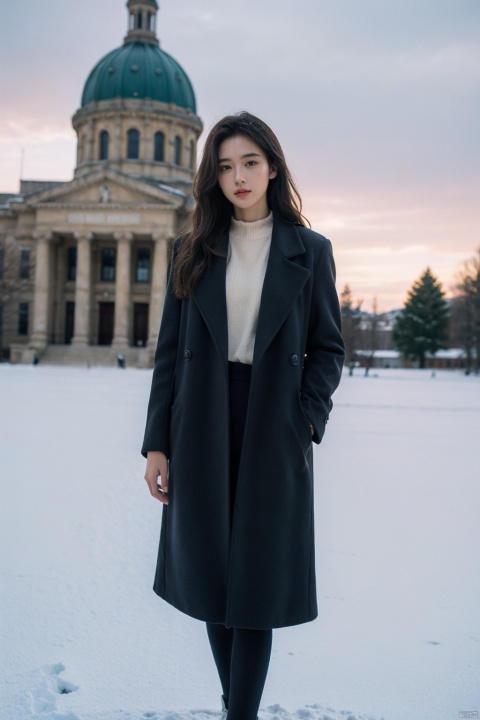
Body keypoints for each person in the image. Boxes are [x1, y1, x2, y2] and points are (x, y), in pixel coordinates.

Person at [142, 111, 345, 720]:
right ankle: (238, 705)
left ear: (273, 167)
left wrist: (304, 419)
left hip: (273, 421)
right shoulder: (192, 248)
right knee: (209, 574)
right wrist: (157, 444)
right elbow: (167, 355)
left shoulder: (310, 251)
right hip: (199, 418)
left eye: (250, 162)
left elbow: (329, 348)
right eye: (226, 166)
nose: (238, 176)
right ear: (214, 176)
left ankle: (241, 715)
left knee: (256, 581)